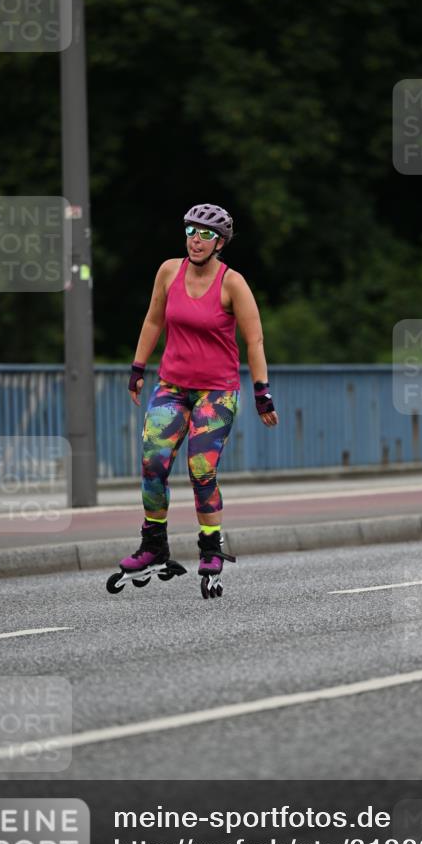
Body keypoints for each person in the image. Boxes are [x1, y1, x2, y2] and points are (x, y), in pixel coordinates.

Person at [120, 203, 279, 598]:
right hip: (172, 385)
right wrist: (138, 368)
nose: (196, 239)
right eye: (191, 230)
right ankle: (154, 544)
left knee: (200, 467)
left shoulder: (232, 284)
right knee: (153, 462)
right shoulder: (169, 271)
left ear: (220, 242)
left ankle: (211, 546)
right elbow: (154, 319)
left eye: (205, 234)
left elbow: (254, 339)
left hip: (217, 392)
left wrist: (262, 392)